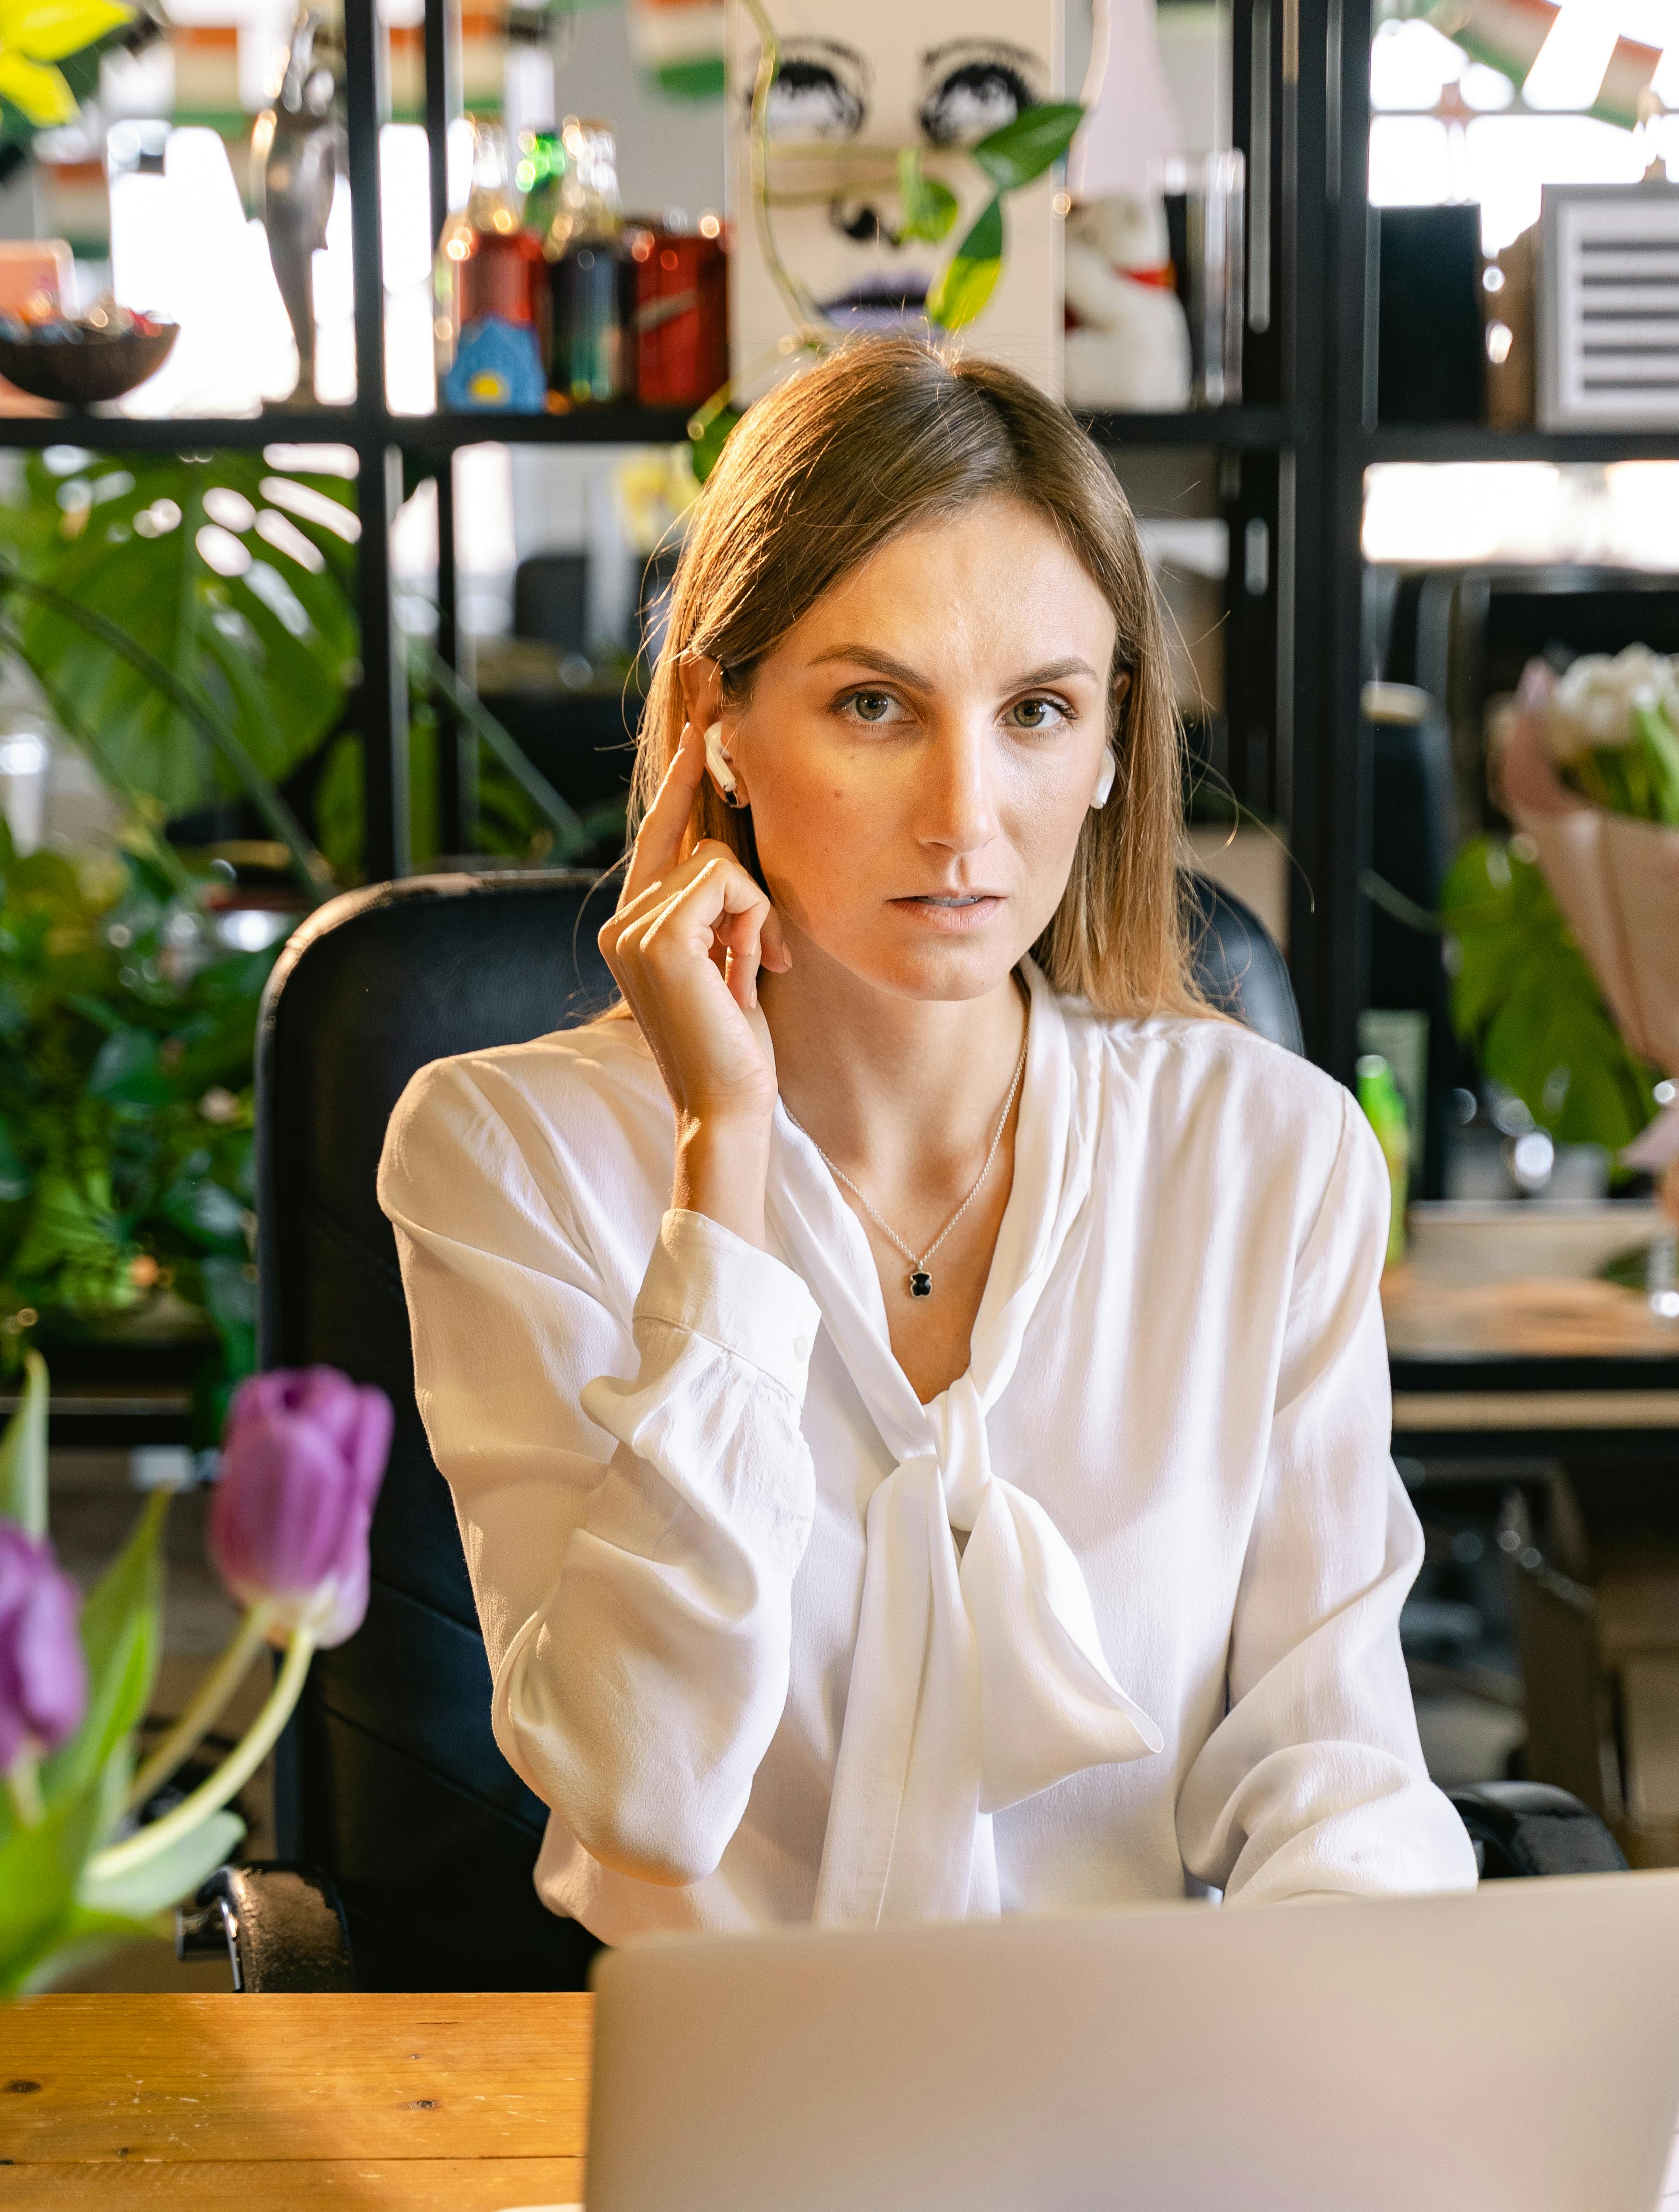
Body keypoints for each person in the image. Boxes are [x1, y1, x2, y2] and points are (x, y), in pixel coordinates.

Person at [379, 338, 1475, 1943]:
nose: (966, 814)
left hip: (1144, 2105)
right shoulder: (507, 1152)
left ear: (1111, 746)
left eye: (1037, 709)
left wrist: (1309, 2073)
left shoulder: (1271, 1155)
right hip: (723, 2117)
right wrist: (722, 1156)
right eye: (875, 703)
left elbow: (1337, 1768)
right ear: (720, 725)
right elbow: (644, 1789)